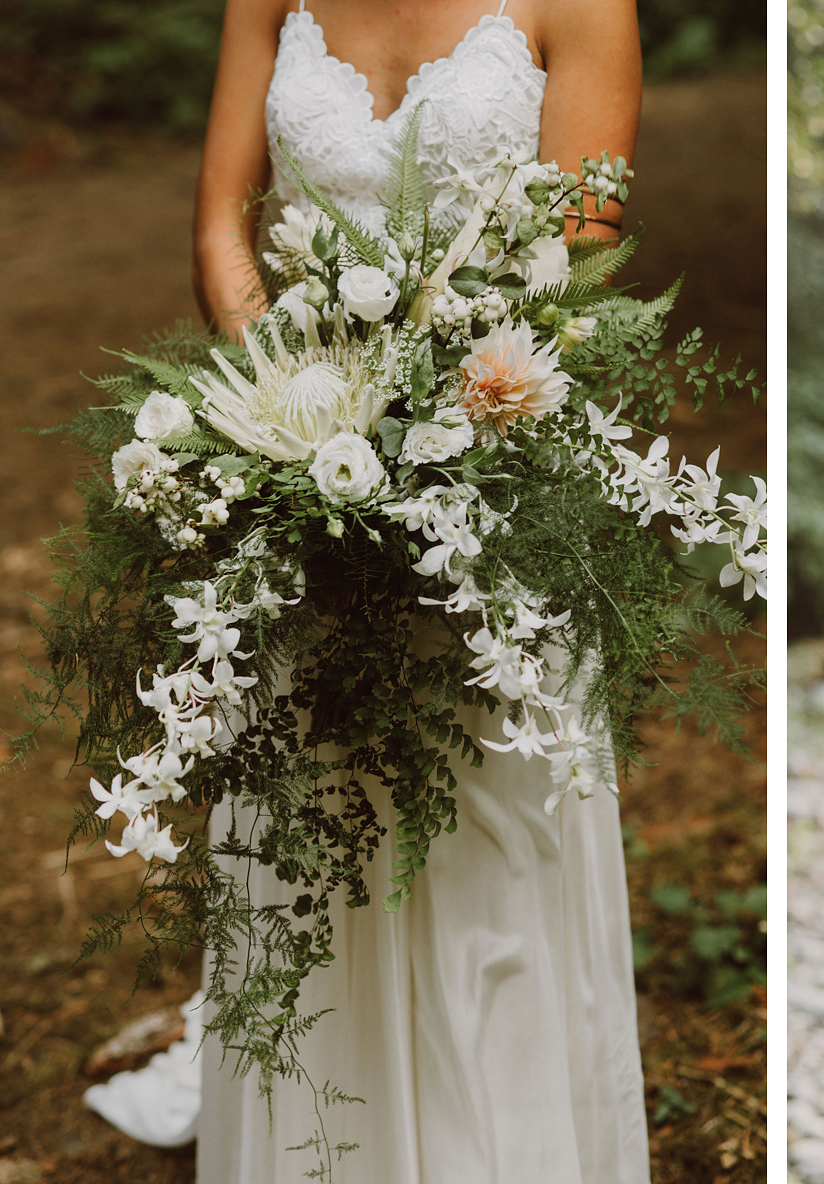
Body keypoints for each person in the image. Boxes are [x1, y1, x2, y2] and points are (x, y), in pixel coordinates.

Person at [186, 2, 649, 1181]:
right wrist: (292, 415)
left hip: (497, 486)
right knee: (313, 847)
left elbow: (579, 256)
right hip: (299, 480)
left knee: (489, 866)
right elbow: (223, 223)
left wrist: (436, 439)